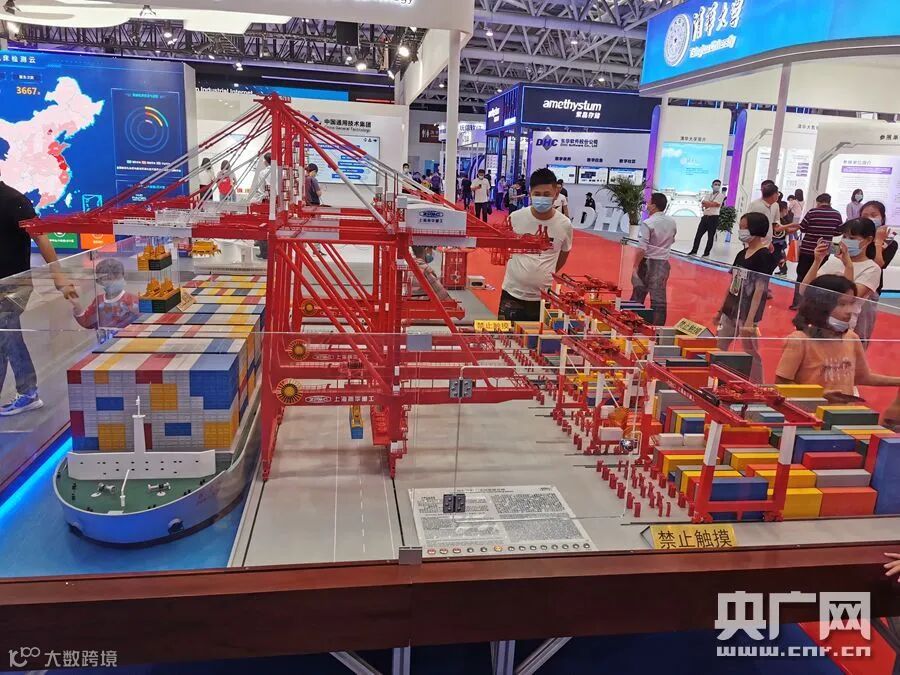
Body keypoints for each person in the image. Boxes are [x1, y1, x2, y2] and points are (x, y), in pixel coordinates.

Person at [0, 174, 77, 415]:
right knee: (3, 338)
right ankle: (26, 392)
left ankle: (28, 392)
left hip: (14, 286)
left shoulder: (14, 200)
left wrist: (58, 276)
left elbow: (41, 236)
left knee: (9, 336)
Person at [776, 274, 900, 399]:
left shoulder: (851, 338)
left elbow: (863, 377)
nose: (849, 310)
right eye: (842, 304)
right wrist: (820, 396)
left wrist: (897, 381)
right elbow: (782, 383)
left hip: (844, 409)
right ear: (821, 305)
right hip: (811, 409)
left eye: (851, 303)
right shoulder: (800, 340)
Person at [499, 168, 574, 322]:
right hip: (512, 293)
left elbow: (564, 253)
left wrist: (547, 273)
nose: (542, 198)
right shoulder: (515, 218)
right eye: (537, 194)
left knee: (539, 336)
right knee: (505, 336)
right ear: (530, 193)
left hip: (543, 297)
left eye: (546, 194)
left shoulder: (564, 224)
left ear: (556, 194)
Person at [713, 212, 777, 382]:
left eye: (744, 227)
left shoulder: (764, 256)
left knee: (751, 351)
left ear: (755, 229)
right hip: (731, 309)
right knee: (719, 345)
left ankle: (757, 385)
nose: (741, 231)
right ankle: (716, 378)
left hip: (748, 312)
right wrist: (721, 310)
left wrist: (750, 320)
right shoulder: (741, 254)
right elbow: (732, 283)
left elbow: (760, 288)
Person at [802, 218, 880, 340]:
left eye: (852, 238)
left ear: (868, 240)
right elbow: (804, 290)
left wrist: (849, 266)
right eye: (844, 236)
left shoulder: (872, 268)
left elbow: (849, 298)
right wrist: (817, 261)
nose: (846, 241)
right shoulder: (833, 260)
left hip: (840, 326)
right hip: (815, 320)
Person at [789, 193, 844, 310]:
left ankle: (797, 303)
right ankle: (813, 305)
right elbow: (839, 231)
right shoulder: (836, 214)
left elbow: (802, 228)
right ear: (829, 201)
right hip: (824, 250)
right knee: (818, 278)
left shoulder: (812, 212)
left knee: (802, 276)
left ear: (818, 202)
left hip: (807, 249)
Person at [629, 192, 677, 326]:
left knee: (638, 294)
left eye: (649, 203)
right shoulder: (672, 222)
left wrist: (635, 266)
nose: (647, 205)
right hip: (663, 263)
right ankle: (657, 328)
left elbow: (642, 248)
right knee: (659, 299)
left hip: (648, 262)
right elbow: (672, 239)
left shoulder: (648, 223)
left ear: (654, 206)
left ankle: (631, 323)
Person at [857, 200, 898, 347]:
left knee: (861, 332)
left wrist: (878, 242)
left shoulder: (890, 243)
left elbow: (879, 264)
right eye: (865, 215)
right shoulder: (856, 237)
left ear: (882, 217)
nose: (869, 218)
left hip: (870, 288)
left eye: (874, 215)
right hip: (849, 283)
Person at [69, 258, 139, 330]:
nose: (113, 281)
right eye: (107, 278)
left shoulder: (133, 300)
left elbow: (141, 323)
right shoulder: (98, 301)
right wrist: (79, 310)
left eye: (116, 276)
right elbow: (87, 322)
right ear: (99, 281)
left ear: (124, 276)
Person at [689, 179, 725, 257]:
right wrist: (710, 204)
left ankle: (706, 253)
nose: (717, 186)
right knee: (698, 235)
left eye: (718, 185)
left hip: (714, 218)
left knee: (710, 237)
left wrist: (708, 203)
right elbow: (703, 204)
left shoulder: (721, 195)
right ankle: (694, 250)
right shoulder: (708, 195)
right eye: (715, 184)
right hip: (705, 217)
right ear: (712, 186)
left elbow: (716, 204)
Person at [747, 181, 780, 246]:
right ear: (773, 195)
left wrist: (769, 242)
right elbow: (750, 225)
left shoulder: (773, 205)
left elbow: (774, 222)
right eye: (777, 193)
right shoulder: (756, 205)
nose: (778, 195)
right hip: (757, 245)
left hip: (766, 243)